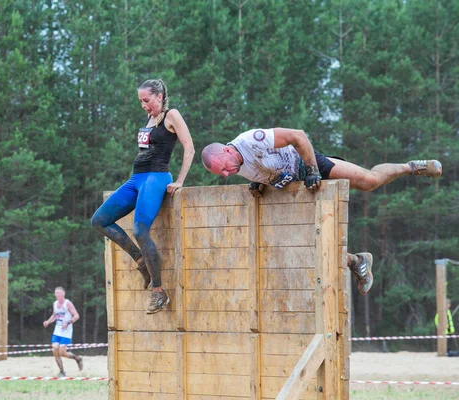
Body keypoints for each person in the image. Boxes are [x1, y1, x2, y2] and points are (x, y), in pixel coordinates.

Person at [201, 127, 443, 295]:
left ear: (227, 151)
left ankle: (411, 167)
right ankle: (357, 261)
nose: (225, 174)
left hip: (307, 167)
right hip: (291, 189)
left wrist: (313, 169)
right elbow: (263, 170)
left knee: (369, 181)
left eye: (224, 168)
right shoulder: (235, 164)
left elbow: (298, 136)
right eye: (221, 173)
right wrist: (260, 182)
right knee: (310, 245)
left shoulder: (252, 140)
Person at [91, 79, 195, 314]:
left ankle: (158, 292)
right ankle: (141, 261)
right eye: (140, 101)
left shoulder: (172, 115)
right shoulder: (149, 119)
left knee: (140, 230)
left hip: (157, 177)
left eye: (146, 100)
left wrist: (179, 181)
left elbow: (189, 147)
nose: (143, 105)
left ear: (159, 96)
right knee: (99, 220)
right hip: (136, 178)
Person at [43, 287, 83, 377]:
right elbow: (54, 315)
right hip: (57, 330)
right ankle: (62, 371)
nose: (56, 294)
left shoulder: (67, 303)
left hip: (66, 331)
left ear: (63, 294)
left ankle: (77, 359)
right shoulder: (55, 304)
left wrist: (68, 322)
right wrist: (48, 322)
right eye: (55, 293)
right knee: (55, 348)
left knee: (62, 352)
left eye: (58, 293)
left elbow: (76, 315)